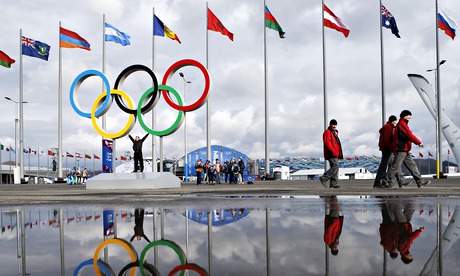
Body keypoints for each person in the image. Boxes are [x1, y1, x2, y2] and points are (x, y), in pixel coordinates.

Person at [383, 110, 431, 188]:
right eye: (409, 115)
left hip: (405, 149)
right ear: (404, 116)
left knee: (412, 166)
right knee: (395, 167)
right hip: (401, 149)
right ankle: (385, 181)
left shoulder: (403, 124)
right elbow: (409, 135)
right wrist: (418, 142)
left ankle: (420, 182)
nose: (410, 117)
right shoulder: (402, 124)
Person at [374, 115, 410, 189]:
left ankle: (399, 182)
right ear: (392, 121)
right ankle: (383, 182)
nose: (396, 123)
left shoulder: (390, 127)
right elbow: (387, 140)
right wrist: (393, 149)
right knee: (391, 165)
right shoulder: (388, 127)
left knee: (393, 165)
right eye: (395, 121)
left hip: (388, 149)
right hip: (388, 149)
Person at [320, 119, 343, 189]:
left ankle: (333, 183)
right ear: (330, 125)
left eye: (335, 125)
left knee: (336, 168)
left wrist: (337, 152)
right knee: (335, 167)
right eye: (333, 124)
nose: (334, 126)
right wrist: (333, 151)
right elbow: (327, 143)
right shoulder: (327, 132)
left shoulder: (335, 132)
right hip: (331, 153)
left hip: (335, 153)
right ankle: (324, 178)